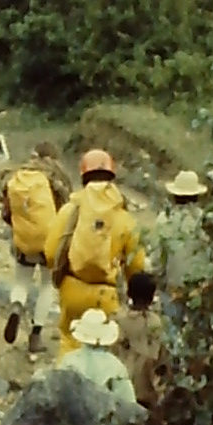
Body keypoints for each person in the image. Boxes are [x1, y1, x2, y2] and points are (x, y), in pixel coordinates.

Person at [47, 149, 146, 350]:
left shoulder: (71, 209)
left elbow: (50, 251)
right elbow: (136, 265)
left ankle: (65, 378)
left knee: (69, 340)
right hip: (105, 295)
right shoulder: (124, 217)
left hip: (72, 288)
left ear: (83, 176)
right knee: (103, 347)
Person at [0, 145, 70, 355]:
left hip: (23, 241)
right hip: (50, 242)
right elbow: (67, 212)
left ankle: (16, 305)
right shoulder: (56, 182)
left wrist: (21, 228)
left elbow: (5, 213)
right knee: (47, 285)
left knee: (21, 281)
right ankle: (36, 335)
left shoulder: (18, 179)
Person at [113, 271, 169, 410]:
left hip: (121, 388)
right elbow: (162, 359)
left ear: (128, 293)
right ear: (151, 297)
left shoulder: (119, 320)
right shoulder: (156, 322)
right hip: (147, 391)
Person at [148, 168, 210, 283]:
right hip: (201, 289)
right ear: (197, 196)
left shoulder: (165, 220)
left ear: (174, 196)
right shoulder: (206, 221)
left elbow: (157, 262)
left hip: (173, 289)